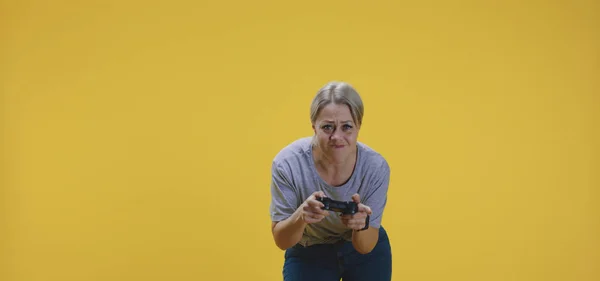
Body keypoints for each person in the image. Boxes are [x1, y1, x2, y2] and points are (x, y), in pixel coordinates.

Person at [269, 81, 393, 281]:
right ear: (313, 127)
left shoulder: (375, 167)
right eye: (327, 127)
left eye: (347, 127)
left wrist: (361, 225)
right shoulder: (288, 164)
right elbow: (282, 241)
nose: (337, 136)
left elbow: (365, 246)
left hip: (362, 251)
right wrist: (301, 215)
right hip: (309, 249)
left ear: (359, 126)